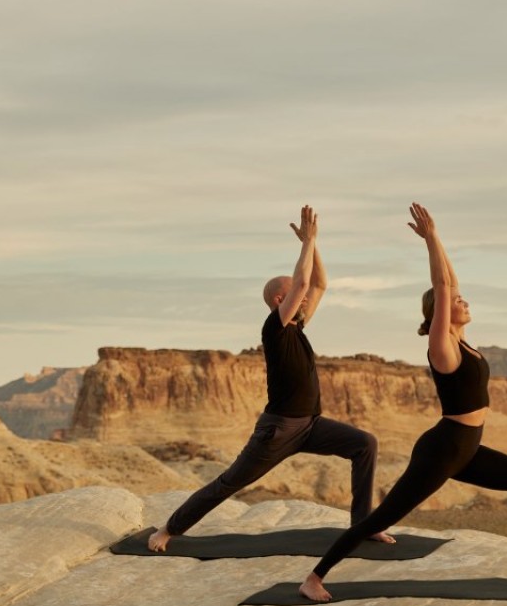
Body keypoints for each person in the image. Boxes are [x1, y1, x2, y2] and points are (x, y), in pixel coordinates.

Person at [299, 203, 507, 601]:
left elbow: (450, 282)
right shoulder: (443, 346)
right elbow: (443, 286)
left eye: (464, 298)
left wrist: (440, 243)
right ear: (439, 312)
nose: (464, 301)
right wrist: (432, 239)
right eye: (457, 301)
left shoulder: (464, 342)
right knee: (381, 518)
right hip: (443, 450)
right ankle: (314, 578)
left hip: (467, 448)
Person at [148, 206, 395, 551]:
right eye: (297, 294)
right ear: (282, 300)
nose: (306, 297)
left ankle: (363, 526)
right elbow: (306, 282)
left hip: (310, 424)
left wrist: (314, 244)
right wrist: (306, 244)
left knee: (364, 443)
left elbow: (320, 283)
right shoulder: (275, 329)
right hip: (278, 430)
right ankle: (168, 530)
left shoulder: (298, 326)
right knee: (229, 482)